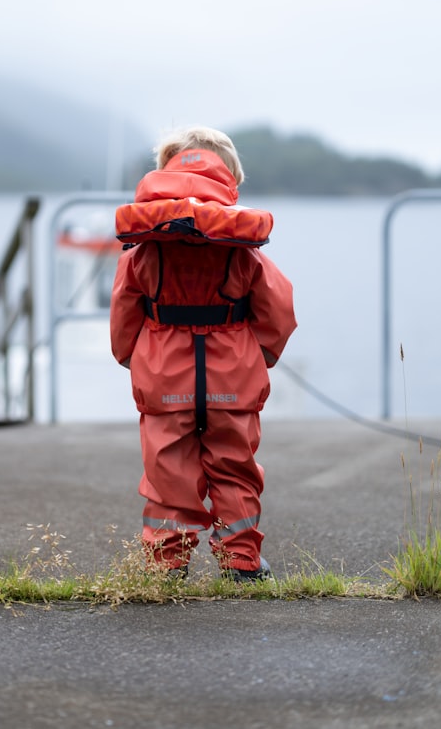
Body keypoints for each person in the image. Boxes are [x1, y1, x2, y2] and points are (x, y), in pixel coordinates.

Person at [109, 126, 297, 582]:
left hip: (164, 376)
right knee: (235, 469)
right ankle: (241, 562)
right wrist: (261, 356)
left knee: (167, 470)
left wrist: (134, 360)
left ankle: (165, 565)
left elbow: (123, 316)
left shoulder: (144, 249)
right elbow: (279, 311)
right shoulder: (241, 248)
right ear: (230, 178)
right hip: (233, 377)